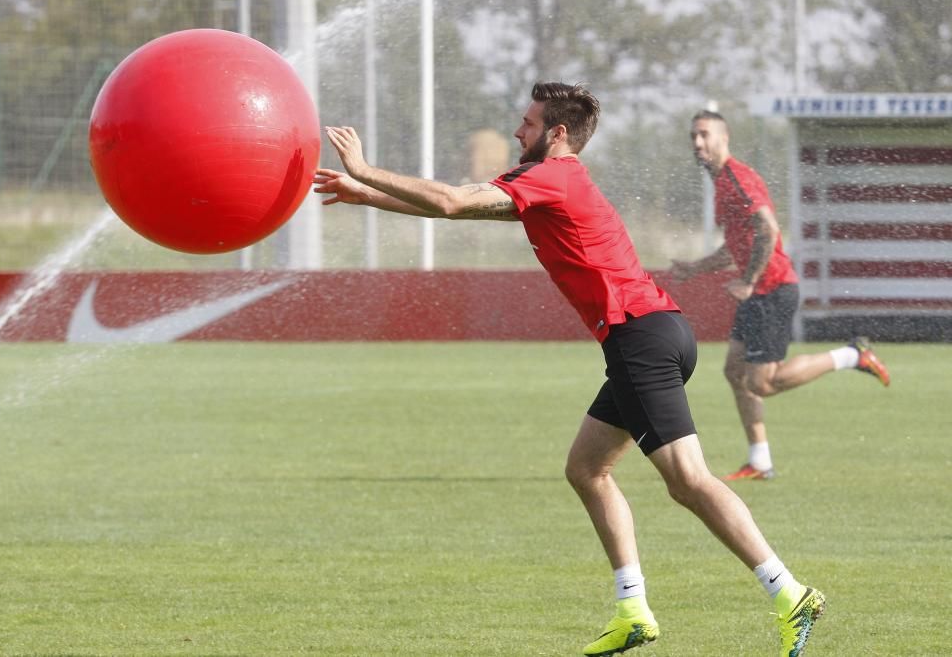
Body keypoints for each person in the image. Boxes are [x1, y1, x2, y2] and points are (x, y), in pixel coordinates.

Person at [314, 82, 825, 656]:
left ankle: (789, 592)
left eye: (528, 124)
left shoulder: (552, 177)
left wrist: (366, 167)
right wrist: (369, 194)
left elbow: (453, 200)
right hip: (650, 334)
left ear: (558, 134)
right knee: (587, 469)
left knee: (688, 481)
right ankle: (632, 608)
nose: (517, 131)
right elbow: (463, 210)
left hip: (642, 338)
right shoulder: (549, 182)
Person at [672, 110, 890, 481]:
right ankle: (760, 461)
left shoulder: (737, 178)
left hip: (771, 290)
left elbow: (769, 230)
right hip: (757, 292)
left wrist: (750, 280)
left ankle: (852, 355)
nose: (697, 143)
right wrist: (696, 268)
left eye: (704, 135)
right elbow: (736, 245)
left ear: (724, 139)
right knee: (735, 371)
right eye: (693, 136)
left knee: (762, 383)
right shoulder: (722, 184)